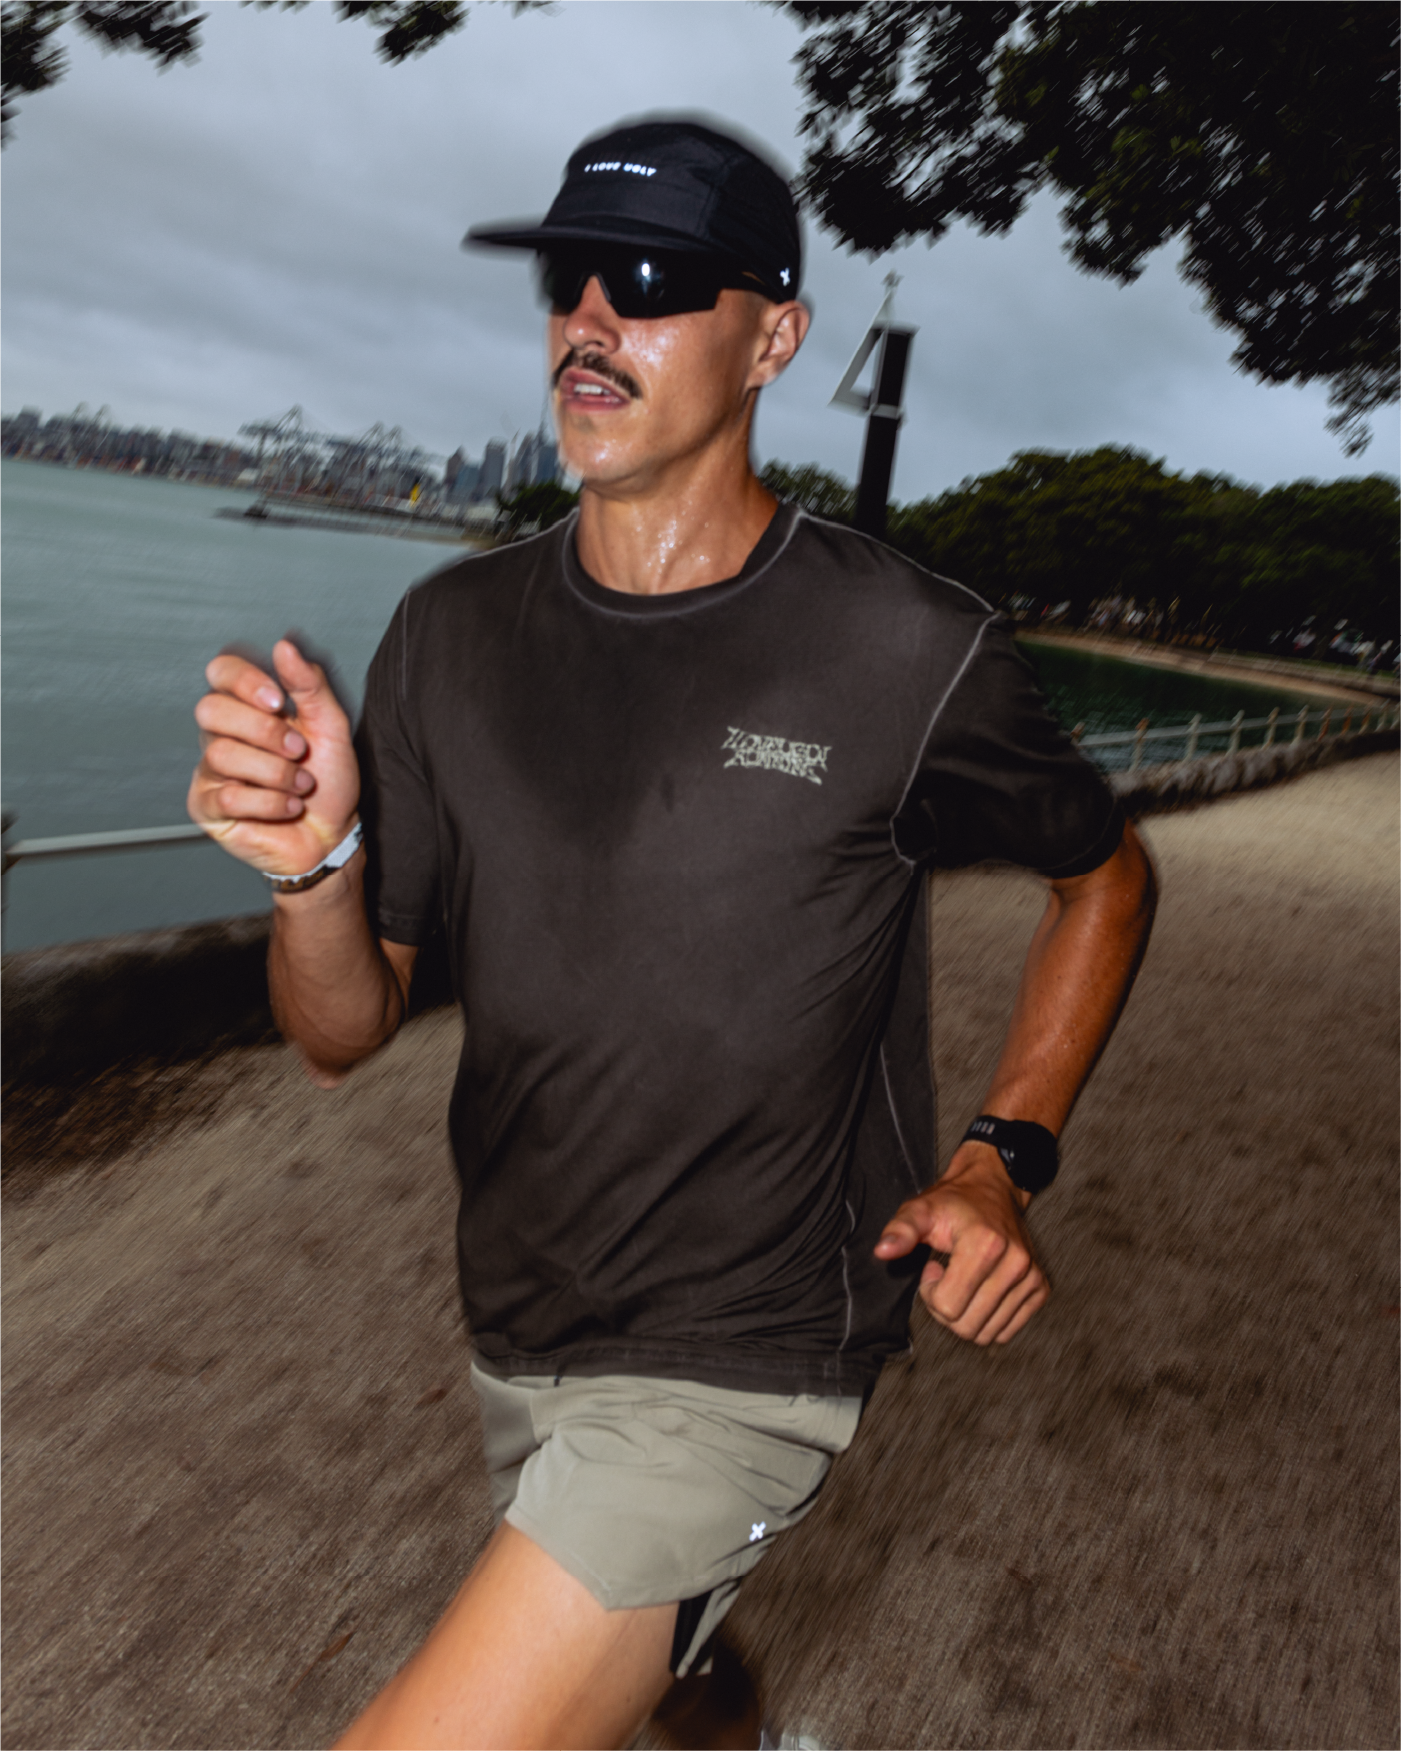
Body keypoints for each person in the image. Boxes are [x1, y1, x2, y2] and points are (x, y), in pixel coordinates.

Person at [188, 118, 1156, 1751]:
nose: (589, 319)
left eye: (645, 282)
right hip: (522, 1308)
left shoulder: (905, 648)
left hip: (755, 1340)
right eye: (567, 280)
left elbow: (1107, 878)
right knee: (669, 1668)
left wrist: (1003, 1152)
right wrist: (315, 871)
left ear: (774, 336)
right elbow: (344, 1031)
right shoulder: (449, 636)